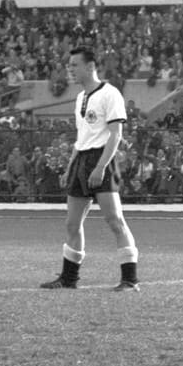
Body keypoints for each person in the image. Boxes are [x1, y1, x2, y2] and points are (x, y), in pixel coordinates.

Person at [41, 46, 141, 291]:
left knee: (115, 220)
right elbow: (82, 136)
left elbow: (116, 135)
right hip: (81, 160)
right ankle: (69, 279)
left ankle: (130, 279)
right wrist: (70, 167)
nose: (70, 70)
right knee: (72, 223)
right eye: (70, 65)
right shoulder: (80, 97)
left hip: (101, 159)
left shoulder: (110, 93)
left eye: (74, 65)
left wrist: (100, 167)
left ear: (90, 66)